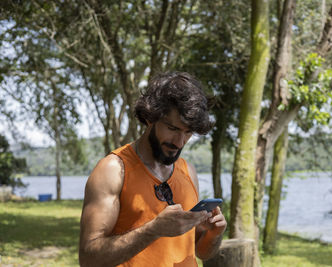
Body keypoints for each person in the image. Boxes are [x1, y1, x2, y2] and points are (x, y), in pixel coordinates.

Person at [79, 71, 227, 267]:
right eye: (173, 129)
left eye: (188, 132)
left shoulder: (188, 171)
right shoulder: (113, 170)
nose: (180, 142)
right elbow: (89, 259)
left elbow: (202, 252)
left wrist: (213, 233)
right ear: (150, 118)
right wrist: (153, 230)